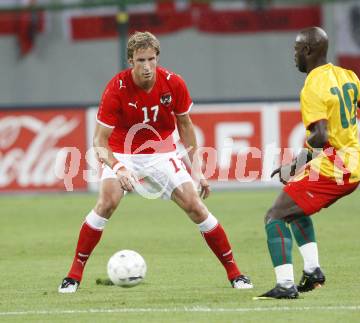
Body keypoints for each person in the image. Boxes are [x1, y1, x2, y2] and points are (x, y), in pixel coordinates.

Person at [58, 31, 253, 293]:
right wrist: (119, 167)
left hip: (162, 152)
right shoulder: (116, 88)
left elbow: (185, 125)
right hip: (122, 152)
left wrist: (198, 170)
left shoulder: (174, 83)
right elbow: (99, 142)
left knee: (195, 206)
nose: (147, 67)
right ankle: (73, 276)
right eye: (141, 60)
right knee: (107, 202)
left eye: (151, 59)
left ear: (158, 58)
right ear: (130, 61)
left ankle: (236, 274)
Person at [256, 27, 360, 299]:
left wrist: (295, 164)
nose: (294, 55)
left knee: (274, 216)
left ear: (308, 51)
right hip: (353, 164)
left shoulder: (313, 85)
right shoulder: (347, 75)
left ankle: (285, 285)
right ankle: (312, 272)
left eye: (297, 49)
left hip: (336, 165)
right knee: (295, 211)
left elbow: (321, 137)